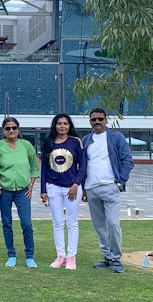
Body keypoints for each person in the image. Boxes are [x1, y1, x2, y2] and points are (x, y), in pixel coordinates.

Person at [82, 108, 134, 273]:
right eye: (93, 119)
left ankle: (117, 258)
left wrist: (120, 182)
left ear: (106, 120)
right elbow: (83, 165)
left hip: (110, 187)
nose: (97, 122)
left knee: (112, 224)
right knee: (100, 226)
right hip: (91, 188)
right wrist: (83, 188)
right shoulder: (86, 140)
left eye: (100, 119)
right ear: (90, 121)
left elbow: (128, 160)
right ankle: (108, 257)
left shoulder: (116, 137)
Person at [40, 113, 87, 270]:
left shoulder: (76, 142)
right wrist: (43, 189)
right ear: (55, 125)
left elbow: (83, 166)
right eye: (59, 123)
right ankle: (61, 255)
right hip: (53, 186)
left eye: (65, 123)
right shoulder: (48, 142)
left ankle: (71, 257)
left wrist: (76, 184)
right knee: (58, 222)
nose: (62, 126)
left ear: (69, 125)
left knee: (72, 221)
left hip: (71, 187)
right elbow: (44, 168)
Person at [0, 117, 39, 268]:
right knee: (7, 224)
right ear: (3, 131)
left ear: (18, 129)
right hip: (5, 190)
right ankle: (11, 254)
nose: (11, 131)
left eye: (14, 128)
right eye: (8, 128)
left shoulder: (26, 145)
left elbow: (34, 166)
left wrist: (31, 184)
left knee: (26, 223)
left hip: (23, 191)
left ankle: (29, 256)